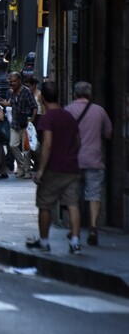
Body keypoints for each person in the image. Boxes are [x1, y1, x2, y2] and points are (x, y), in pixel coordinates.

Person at [27, 81, 82, 255]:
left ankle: (44, 242)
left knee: (45, 205)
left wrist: (41, 170)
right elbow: (78, 141)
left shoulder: (47, 118)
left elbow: (47, 144)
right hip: (71, 167)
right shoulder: (69, 116)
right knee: (72, 204)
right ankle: (75, 242)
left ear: (42, 98)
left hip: (53, 168)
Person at [65, 81, 112, 246]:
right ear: (89, 94)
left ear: (75, 94)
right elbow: (108, 133)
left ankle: (74, 229)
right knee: (94, 195)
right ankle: (93, 227)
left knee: (73, 197)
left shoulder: (68, 110)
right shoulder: (100, 111)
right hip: (94, 159)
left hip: (73, 161)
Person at [0, 71, 37, 179]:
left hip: (25, 124)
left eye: (14, 81)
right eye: (11, 81)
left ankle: (26, 171)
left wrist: (31, 121)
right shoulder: (11, 92)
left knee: (26, 149)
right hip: (15, 124)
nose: (13, 83)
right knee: (12, 145)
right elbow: (9, 103)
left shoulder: (26, 91)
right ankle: (23, 165)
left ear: (19, 80)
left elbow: (34, 106)